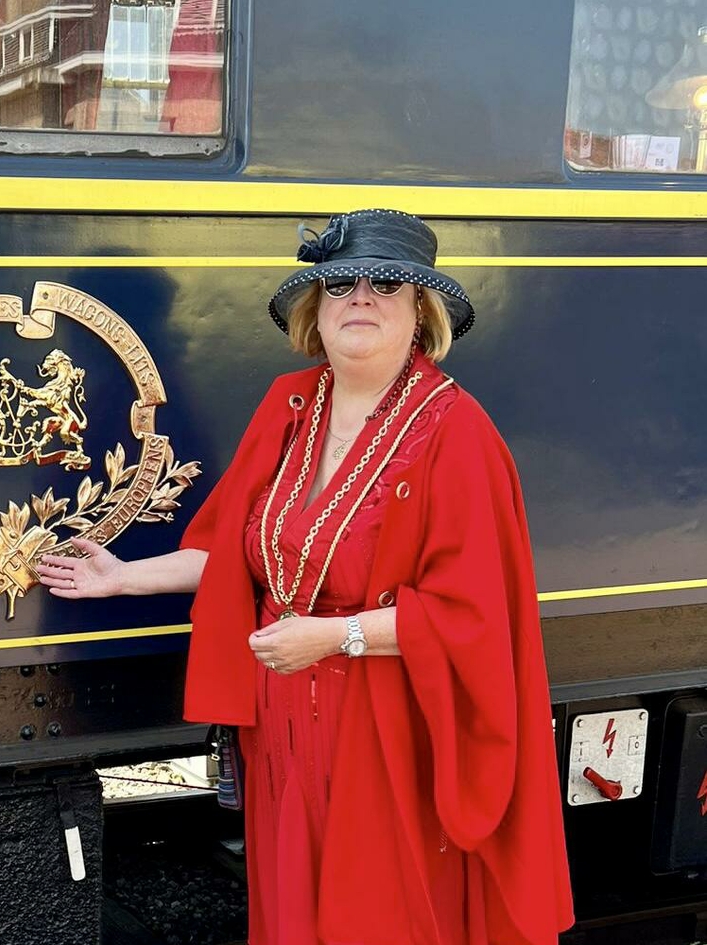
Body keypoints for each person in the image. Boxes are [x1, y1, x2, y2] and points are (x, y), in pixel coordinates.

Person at [38, 209, 573, 944]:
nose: (360, 297)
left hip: (385, 729)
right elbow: (237, 553)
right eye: (337, 284)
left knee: (376, 914)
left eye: (386, 284)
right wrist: (121, 577)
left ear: (420, 312)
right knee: (294, 911)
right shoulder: (290, 404)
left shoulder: (456, 432)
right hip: (285, 721)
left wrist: (334, 636)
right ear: (312, 313)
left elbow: (473, 618)